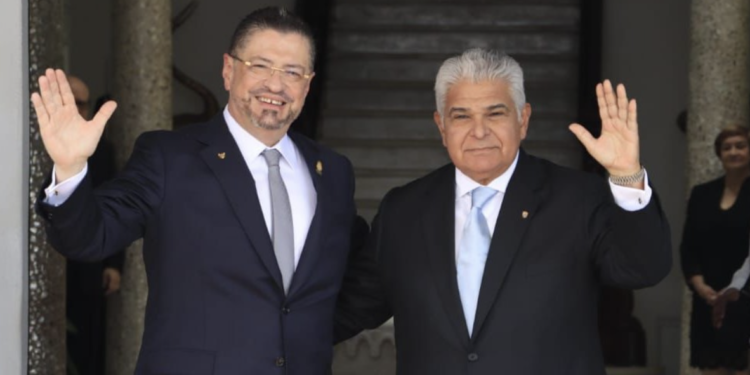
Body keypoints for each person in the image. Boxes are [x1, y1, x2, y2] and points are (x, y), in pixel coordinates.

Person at [32, 7, 357, 375]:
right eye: (260, 65)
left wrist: (305, 333)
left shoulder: (332, 172)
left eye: (292, 72)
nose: (276, 84)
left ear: (308, 85)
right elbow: (88, 236)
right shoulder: (168, 158)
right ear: (228, 70)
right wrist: (70, 167)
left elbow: (350, 278)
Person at [334, 48, 672, 374]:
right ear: (441, 127)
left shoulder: (577, 198)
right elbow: (350, 309)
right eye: (461, 116)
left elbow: (641, 270)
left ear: (523, 120)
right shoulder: (403, 210)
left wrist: (626, 174)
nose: (479, 131)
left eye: (495, 114)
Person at [64, 75, 124, 375]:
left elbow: (114, 209)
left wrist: (114, 264)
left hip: (88, 265)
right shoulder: (32, 143)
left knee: (87, 347)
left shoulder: (102, 151)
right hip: (42, 260)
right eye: (69, 102)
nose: (75, 108)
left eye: (81, 103)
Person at [681, 125, 750, 374]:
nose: (733, 152)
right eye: (727, 147)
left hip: (745, 296)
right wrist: (701, 287)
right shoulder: (702, 194)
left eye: (740, 146)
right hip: (707, 298)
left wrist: (736, 289)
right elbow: (688, 247)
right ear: (719, 153)